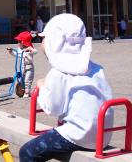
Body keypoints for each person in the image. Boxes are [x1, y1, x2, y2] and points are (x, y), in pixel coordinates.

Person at [19, 14, 114, 162]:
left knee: (27, 152)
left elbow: (52, 109)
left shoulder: (59, 72)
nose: (42, 43)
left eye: (43, 39)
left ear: (54, 43)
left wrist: (42, 86)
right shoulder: (96, 68)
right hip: (103, 135)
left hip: (79, 135)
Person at [7, 31, 37, 97]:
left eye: (19, 42)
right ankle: (22, 91)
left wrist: (29, 51)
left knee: (27, 81)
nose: (18, 43)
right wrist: (11, 51)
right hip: (22, 67)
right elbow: (16, 55)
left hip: (29, 68)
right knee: (21, 80)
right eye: (18, 42)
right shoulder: (19, 49)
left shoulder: (29, 48)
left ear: (24, 42)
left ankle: (27, 93)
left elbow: (35, 52)